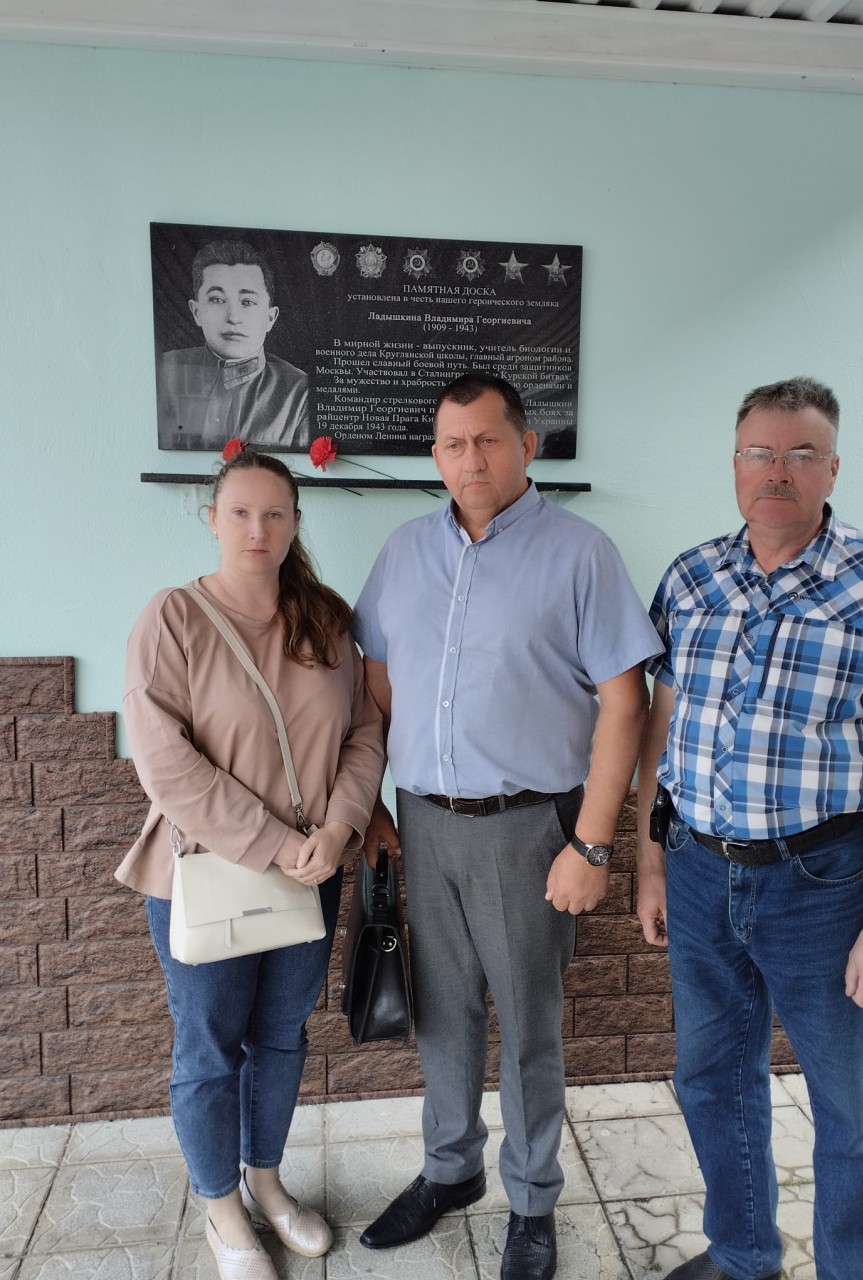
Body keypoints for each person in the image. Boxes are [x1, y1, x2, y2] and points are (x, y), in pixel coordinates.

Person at [635, 376, 863, 1280]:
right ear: (735, 463)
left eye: (799, 454)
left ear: (832, 468)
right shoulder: (692, 576)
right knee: (711, 1079)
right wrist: (650, 863)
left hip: (820, 884)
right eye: (759, 453)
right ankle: (742, 1255)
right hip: (698, 871)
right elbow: (661, 732)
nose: (775, 471)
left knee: (849, 1109)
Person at [352, 372, 662, 1280]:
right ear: (434, 455)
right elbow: (377, 681)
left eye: (488, 439)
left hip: (529, 829)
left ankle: (531, 1201)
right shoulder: (404, 551)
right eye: (452, 444)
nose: (471, 459)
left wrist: (592, 844)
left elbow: (625, 703)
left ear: (526, 446)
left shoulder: (580, 553)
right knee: (442, 1014)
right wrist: (376, 800)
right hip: (424, 823)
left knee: (527, 1026)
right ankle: (450, 1169)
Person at [117, 447, 383, 1280]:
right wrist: (273, 842)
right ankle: (219, 1203)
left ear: (296, 523)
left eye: (274, 513)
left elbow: (364, 732)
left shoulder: (327, 620)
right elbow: (165, 762)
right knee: (209, 1045)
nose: (257, 529)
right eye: (240, 512)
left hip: (313, 869)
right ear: (212, 520)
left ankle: (265, 1182)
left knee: (280, 1036)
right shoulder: (174, 618)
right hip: (208, 873)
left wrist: (340, 827)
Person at [156, 240, 310, 450]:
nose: (233, 317)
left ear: (270, 318)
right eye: (217, 300)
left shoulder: (299, 392)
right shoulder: (163, 369)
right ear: (196, 312)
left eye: (247, 302)